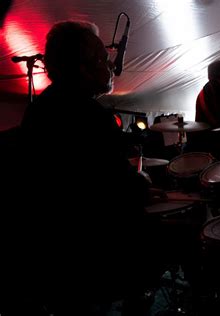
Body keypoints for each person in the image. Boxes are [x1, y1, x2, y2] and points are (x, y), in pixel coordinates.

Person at [1, 20, 159, 314]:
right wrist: (145, 183)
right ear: (82, 68)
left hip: (46, 255)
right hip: (87, 255)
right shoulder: (93, 118)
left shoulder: (39, 110)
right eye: (103, 58)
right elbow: (121, 189)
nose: (110, 66)